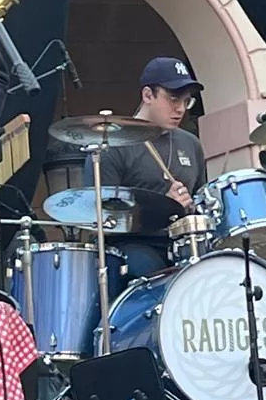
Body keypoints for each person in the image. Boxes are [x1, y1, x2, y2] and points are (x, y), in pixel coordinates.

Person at [87, 56, 208, 278]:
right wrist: (163, 207)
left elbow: (202, 198)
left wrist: (192, 208)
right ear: (147, 95)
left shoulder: (191, 144)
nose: (180, 109)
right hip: (133, 245)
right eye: (173, 99)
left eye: (186, 101)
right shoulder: (113, 144)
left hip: (183, 243)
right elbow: (102, 217)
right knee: (149, 269)